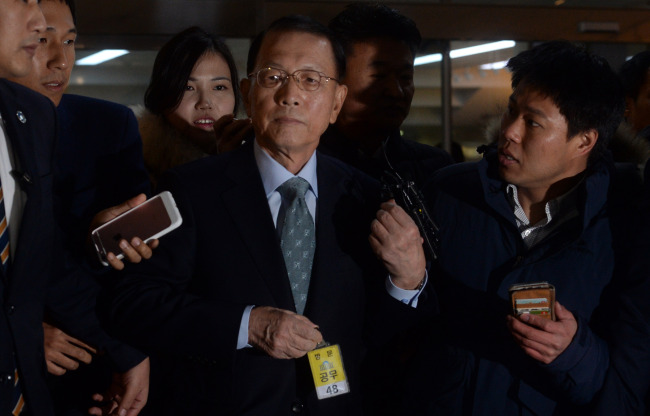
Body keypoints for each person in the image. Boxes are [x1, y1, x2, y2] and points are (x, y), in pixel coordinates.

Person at [108, 15, 429, 415]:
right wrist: (246, 325)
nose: (290, 95)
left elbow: (379, 337)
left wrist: (407, 282)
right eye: (274, 77)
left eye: (311, 80)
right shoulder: (190, 190)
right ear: (248, 90)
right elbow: (135, 304)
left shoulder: (366, 198)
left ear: (337, 102)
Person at [375, 40, 639, 415]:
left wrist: (575, 353)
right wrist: (406, 284)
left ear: (584, 141)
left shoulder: (624, 226)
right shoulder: (449, 192)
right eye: (510, 111)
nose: (510, 132)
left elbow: (631, 379)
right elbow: (394, 332)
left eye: (533, 122)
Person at [0, 1, 149, 415]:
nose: (57, 59)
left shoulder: (30, 121)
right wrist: (22, 335)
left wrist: (125, 352)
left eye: (68, 42)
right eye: (41, 37)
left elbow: (42, 256)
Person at [319, 2, 453, 187]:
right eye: (378, 76)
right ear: (335, 79)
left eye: (405, 77)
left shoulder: (435, 169)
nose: (395, 91)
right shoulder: (306, 165)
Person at [134, 26, 252, 189]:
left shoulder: (257, 162)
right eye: (187, 88)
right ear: (162, 95)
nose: (205, 103)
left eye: (219, 87)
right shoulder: (133, 169)